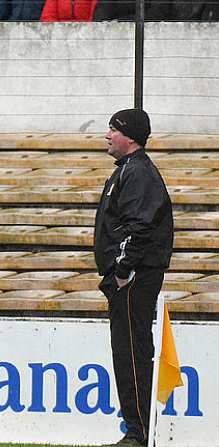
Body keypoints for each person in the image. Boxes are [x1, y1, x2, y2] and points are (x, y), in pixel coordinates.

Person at [94, 109, 173, 447]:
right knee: (125, 352)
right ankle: (134, 428)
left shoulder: (138, 172)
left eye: (112, 129)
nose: (107, 135)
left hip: (134, 279)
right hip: (127, 278)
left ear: (129, 136)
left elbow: (139, 226)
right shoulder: (126, 170)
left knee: (132, 352)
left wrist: (123, 270)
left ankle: (137, 433)